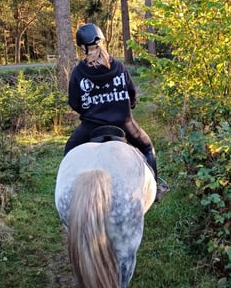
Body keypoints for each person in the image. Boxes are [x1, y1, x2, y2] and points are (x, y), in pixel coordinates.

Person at [64, 23, 168, 202]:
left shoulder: (79, 72)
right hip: (124, 123)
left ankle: (67, 190)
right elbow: (132, 94)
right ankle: (155, 189)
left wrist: (90, 110)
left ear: (82, 47)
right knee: (147, 147)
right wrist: (128, 104)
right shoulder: (118, 67)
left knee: (69, 151)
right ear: (102, 42)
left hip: (91, 126)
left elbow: (74, 103)